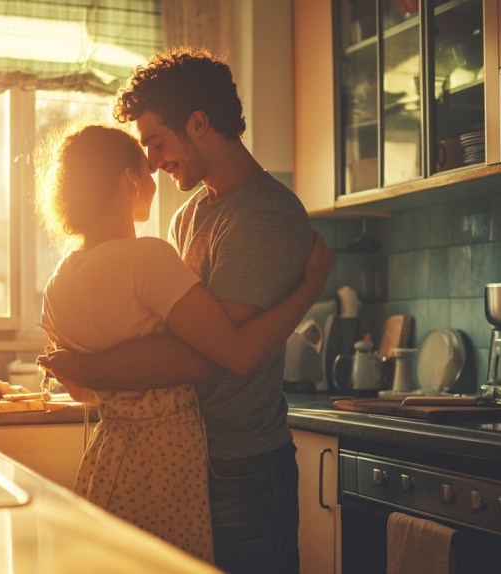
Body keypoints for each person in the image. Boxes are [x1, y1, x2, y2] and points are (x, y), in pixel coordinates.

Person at [37, 48, 318, 573]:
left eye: (156, 142)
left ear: (198, 123)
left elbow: (199, 353)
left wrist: (85, 368)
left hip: (242, 468)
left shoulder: (266, 214)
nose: (150, 162)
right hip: (185, 461)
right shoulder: (189, 214)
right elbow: (169, 333)